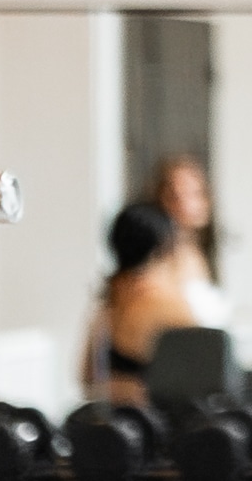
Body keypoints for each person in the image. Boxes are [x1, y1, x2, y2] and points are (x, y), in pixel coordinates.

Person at [84, 202, 199, 406]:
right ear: (163, 247)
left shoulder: (108, 302)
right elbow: (197, 376)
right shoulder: (170, 304)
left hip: (118, 416)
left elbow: (87, 377)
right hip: (163, 418)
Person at [146, 154, 232, 328]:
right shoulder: (156, 260)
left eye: (196, 193)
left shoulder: (199, 253)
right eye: (176, 195)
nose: (186, 204)